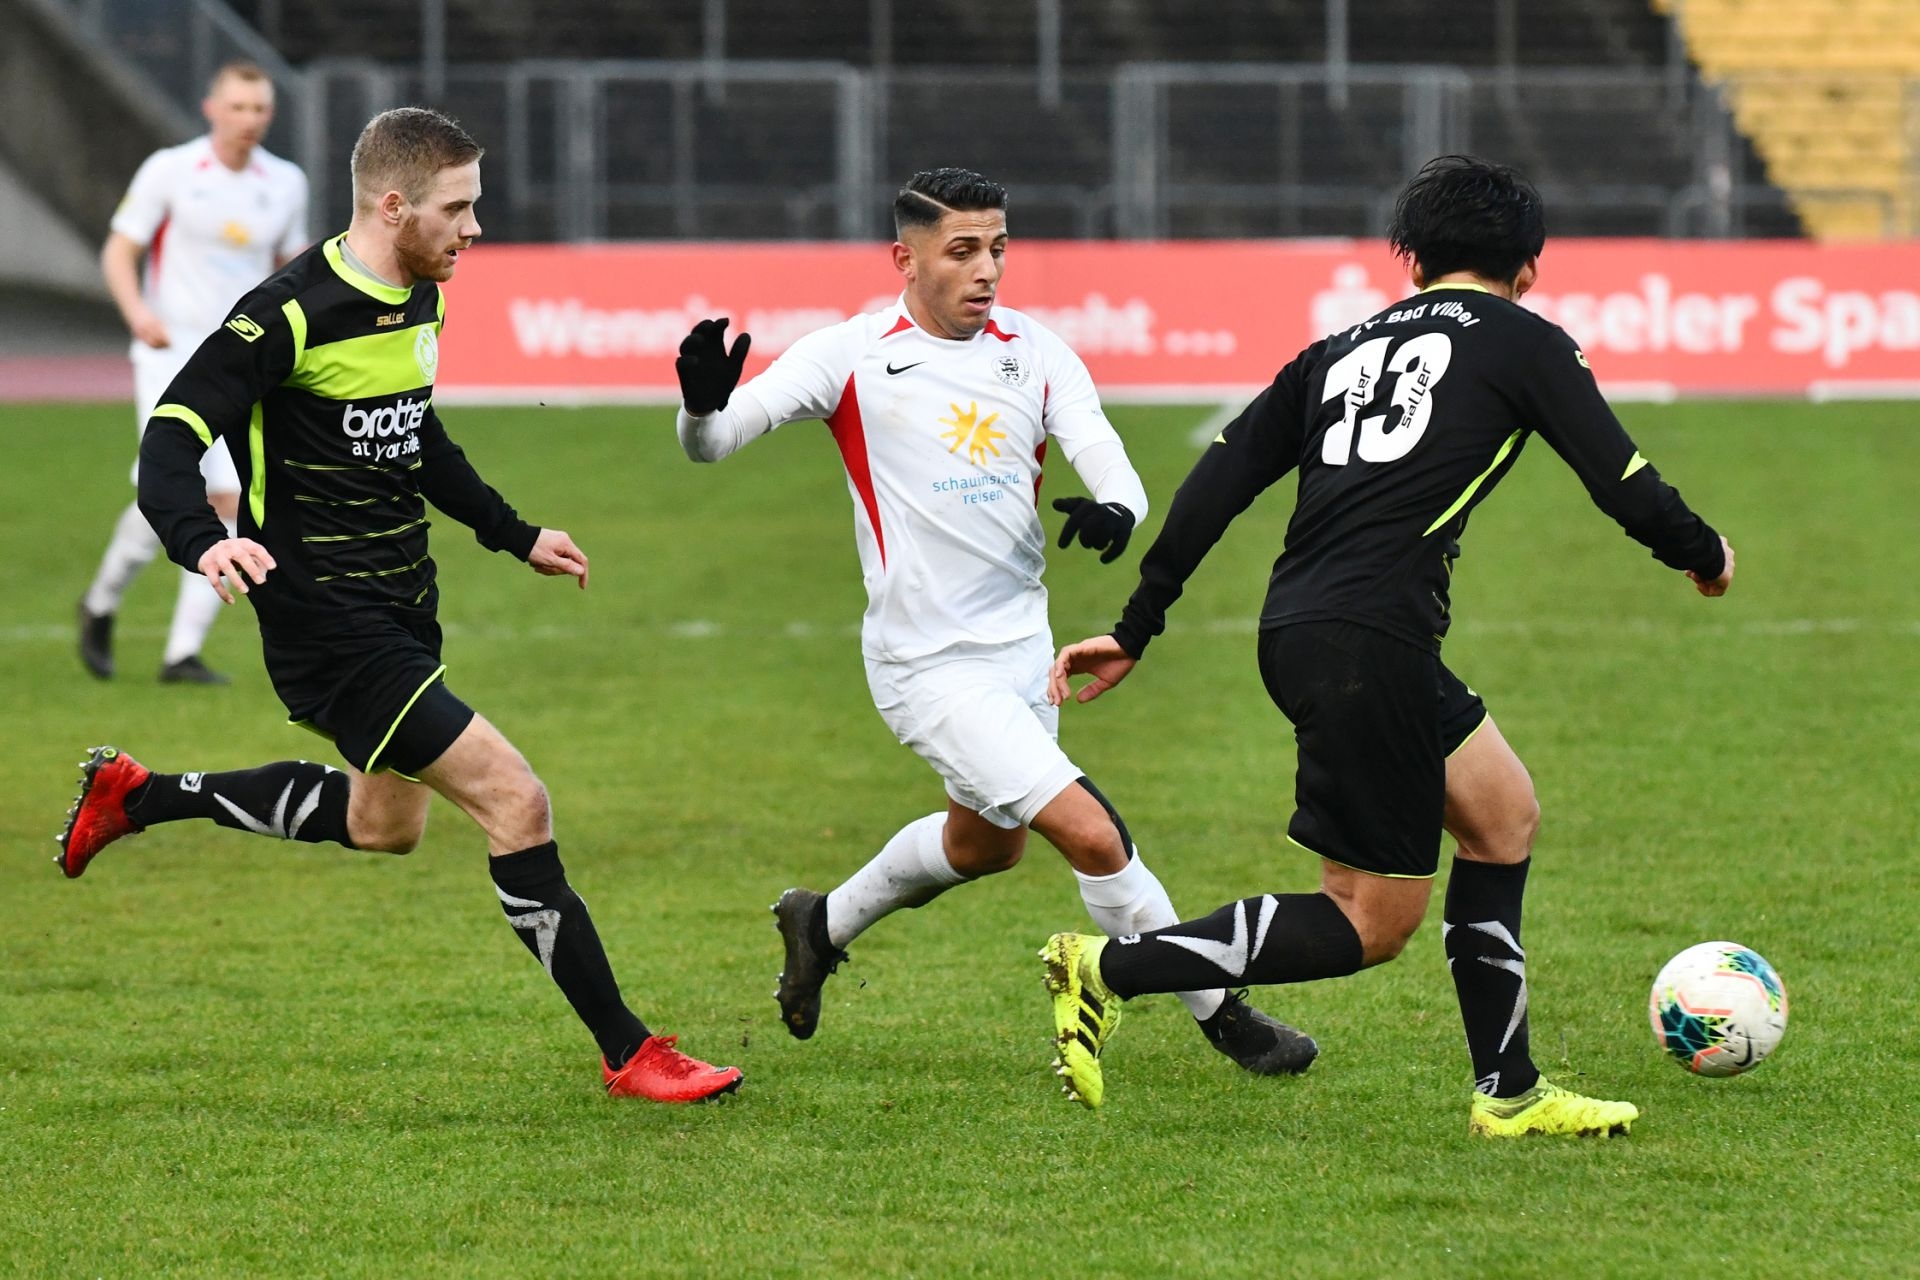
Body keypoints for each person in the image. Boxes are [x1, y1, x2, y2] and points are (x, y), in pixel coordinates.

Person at [56, 107, 742, 1104]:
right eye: (458, 208)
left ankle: (140, 793)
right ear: (394, 205)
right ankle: (630, 1049)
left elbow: (415, 435)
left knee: (386, 825)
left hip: (401, 608)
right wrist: (206, 543)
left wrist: (513, 532)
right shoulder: (285, 314)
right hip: (324, 620)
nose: (474, 228)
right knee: (518, 800)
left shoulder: (416, 296)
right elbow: (168, 440)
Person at [1041, 155, 1736, 1132]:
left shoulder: (1335, 350)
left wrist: (1136, 624)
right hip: (1370, 643)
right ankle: (1108, 964)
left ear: (1414, 265)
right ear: (1527, 268)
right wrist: (1704, 553)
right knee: (1370, 921)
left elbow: (1219, 479)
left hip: (1310, 629)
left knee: (1502, 815)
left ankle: (1510, 1091)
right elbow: (1622, 477)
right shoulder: (1525, 341)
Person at [673, 167, 1313, 1082]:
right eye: (962, 251)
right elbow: (716, 443)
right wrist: (700, 405)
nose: (987, 271)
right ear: (905, 258)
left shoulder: (1038, 352)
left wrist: (1117, 511)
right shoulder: (850, 355)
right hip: (924, 667)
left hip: (1021, 657)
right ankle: (1224, 1014)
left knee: (984, 845)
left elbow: (1111, 463)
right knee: (1092, 834)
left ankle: (821, 922)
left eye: (998, 249)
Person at [80, 61, 310, 685]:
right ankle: (101, 603)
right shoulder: (171, 170)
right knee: (171, 485)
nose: (249, 120)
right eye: (237, 107)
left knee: (224, 494)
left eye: (259, 109)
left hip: (238, 359)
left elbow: (289, 270)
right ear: (211, 108)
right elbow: (119, 249)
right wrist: (137, 313)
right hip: (167, 352)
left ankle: (180, 652)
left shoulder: (285, 182)